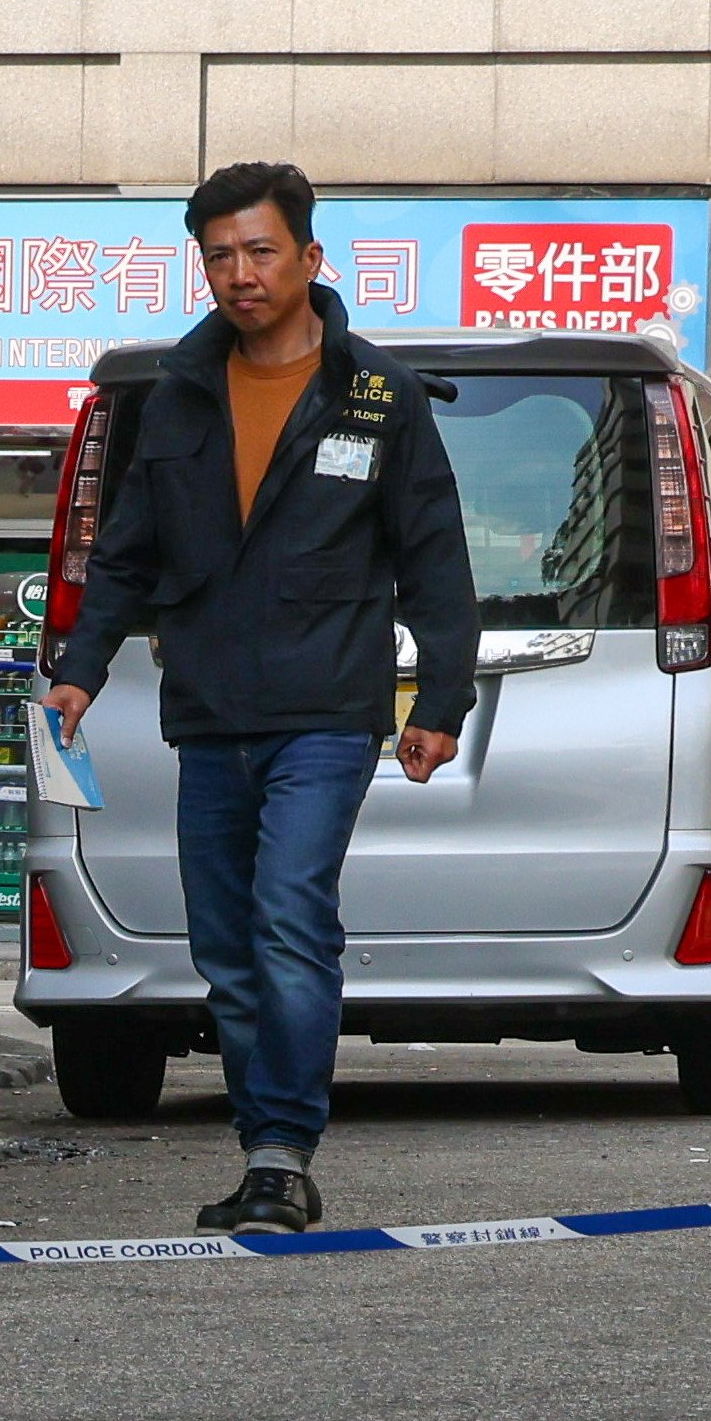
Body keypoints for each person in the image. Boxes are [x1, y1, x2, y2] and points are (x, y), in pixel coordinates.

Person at [40, 162, 477, 1237]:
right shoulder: (180, 393)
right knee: (224, 944)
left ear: (310, 259)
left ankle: (284, 1147)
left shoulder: (378, 396)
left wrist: (441, 703)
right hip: (208, 714)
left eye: (260, 251)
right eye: (220, 256)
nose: (239, 274)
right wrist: (79, 667)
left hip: (326, 713)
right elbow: (126, 553)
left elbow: (434, 561)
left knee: (289, 918)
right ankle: (262, 1149)